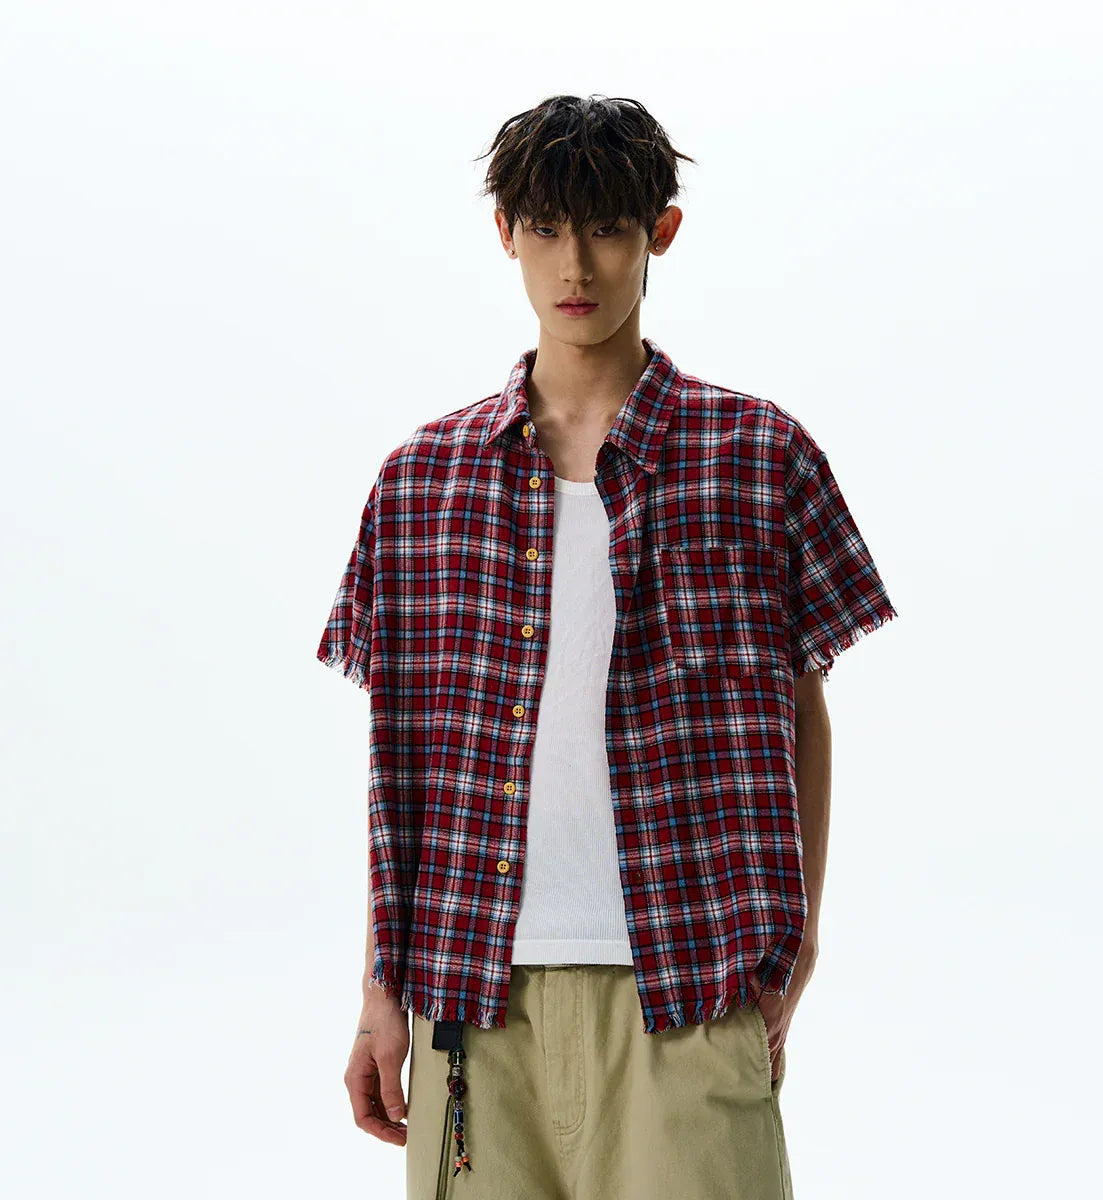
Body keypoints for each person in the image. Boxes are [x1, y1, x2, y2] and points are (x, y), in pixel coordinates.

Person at [317, 93, 898, 1200]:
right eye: (544, 228)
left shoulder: (758, 457)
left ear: (659, 232)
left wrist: (802, 944)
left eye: (606, 228)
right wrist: (379, 989)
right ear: (506, 234)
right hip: (472, 1001)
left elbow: (802, 711)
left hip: (692, 987)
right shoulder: (421, 481)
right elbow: (406, 759)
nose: (574, 264)